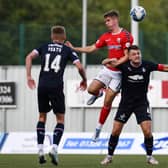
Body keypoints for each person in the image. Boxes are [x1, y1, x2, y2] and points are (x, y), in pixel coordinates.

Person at [66, 10, 133, 142]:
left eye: (108, 20)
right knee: (91, 90)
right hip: (107, 70)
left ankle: (97, 130)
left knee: (107, 103)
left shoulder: (126, 35)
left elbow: (128, 55)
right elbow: (92, 48)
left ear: (115, 20)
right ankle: (97, 94)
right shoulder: (106, 36)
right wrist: (74, 49)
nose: (106, 23)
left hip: (119, 74)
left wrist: (116, 62)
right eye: (105, 21)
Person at [25, 25, 87, 165]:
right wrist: (84, 79)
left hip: (42, 86)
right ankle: (54, 147)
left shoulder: (44, 46)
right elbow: (80, 67)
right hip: (56, 87)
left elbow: (29, 57)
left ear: (52, 37)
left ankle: (40, 149)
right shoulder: (67, 50)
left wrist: (29, 76)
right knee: (60, 119)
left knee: (42, 116)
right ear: (64, 37)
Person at [101, 45, 168, 165]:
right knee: (116, 131)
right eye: (134, 54)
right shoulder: (123, 65)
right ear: (129, 56)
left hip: (141, 103)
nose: (137, 56)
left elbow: (163, 67)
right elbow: (105, 63)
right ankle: (109, 156)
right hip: (125, 104)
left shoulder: (147, 65)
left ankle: (149, 157)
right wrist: (115, 60)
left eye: (138, 53)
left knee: (147, 131)